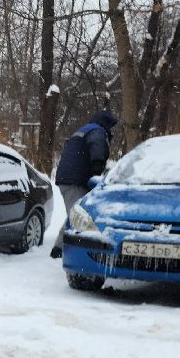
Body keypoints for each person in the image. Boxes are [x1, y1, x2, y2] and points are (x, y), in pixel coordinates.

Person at [50, 108, 118, 258]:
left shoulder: (84, 130)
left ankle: (59, 248)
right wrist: (98, 164)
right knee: (78, 216)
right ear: (105, 123)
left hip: (68, 178)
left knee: (77, 214)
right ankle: (64, 250)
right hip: (75, 181)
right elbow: (97, 145)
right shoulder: (98, 131)